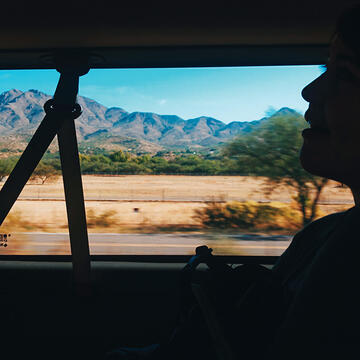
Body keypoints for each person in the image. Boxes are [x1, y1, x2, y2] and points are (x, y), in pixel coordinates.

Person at [106, 4, 360, 359]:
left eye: (345, 73)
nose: (310, 90)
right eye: (325, 67)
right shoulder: (321, 236)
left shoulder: (342, 254)